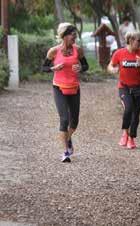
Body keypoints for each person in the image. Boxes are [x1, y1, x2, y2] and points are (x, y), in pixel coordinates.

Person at [42, 22, 89, 162]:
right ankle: (65, 152)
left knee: (74, 122)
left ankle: (67, 139)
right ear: (64, 36)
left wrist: (80, 68)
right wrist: (53, 68)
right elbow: (44, 68)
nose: (75, 37)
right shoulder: (53, 51)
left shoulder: (78, 50)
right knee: (64, 119)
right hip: (59, 87)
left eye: (75, 35)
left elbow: (86, 65)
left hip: (74, 87)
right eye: (72, 35)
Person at [107, 31, 140, 149]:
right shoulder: (119, 53)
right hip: (124, 87)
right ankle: (124, 133)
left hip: (139, 88)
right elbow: (110, 65)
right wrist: (113, 70)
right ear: (130, 40)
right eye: (139, 41)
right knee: (128, 109)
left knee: (136, 114)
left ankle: (131, 138)